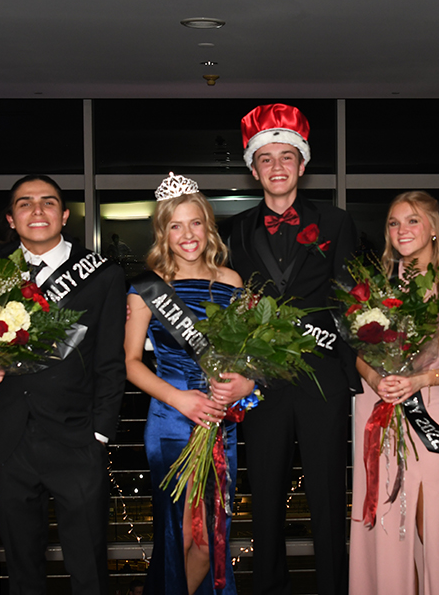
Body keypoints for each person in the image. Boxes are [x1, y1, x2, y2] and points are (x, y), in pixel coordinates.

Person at [224, 103, 359, 595]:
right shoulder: (237, 228)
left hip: (322, 377)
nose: (277, 167)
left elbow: (350, 300)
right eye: (266, 158)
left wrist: (354, 377)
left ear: (303, 164)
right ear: (253, 167)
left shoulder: (337, 222)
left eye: (287, 156)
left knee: (327, 497)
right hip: (261, 382)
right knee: (264, 499)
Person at [0, 175, 127, 595]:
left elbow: (110, 362)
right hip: (8, 440)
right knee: (22, 568)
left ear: (64, 215)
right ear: (10, 218)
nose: (37, 210)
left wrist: (100, 432)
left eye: (48, 202)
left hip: (76, 438)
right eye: (25, 204)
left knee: (89, 568)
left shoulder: (102, 275)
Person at [124, 173, 253, 594]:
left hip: (221, 420)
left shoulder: (232, 283)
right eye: (175, 225)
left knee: (210, 539)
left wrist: (244, 384)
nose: (187, 234)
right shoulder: (147, 288)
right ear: (163, 231)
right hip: (172, 420)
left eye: (195, 222)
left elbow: (251, 358)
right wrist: (181, 399)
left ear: (208, 226)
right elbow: (130, 363)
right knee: (178, 534)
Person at [349, 191, 439, 595]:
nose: (401, 230)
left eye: (411, 220)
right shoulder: (372, 286)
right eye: (393, 222)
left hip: (427, 405)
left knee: (431, 519)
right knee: (386, 522)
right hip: (376, 406)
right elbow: (357, 355)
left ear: (432, 229)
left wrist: (419, 381)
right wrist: (376, 380)